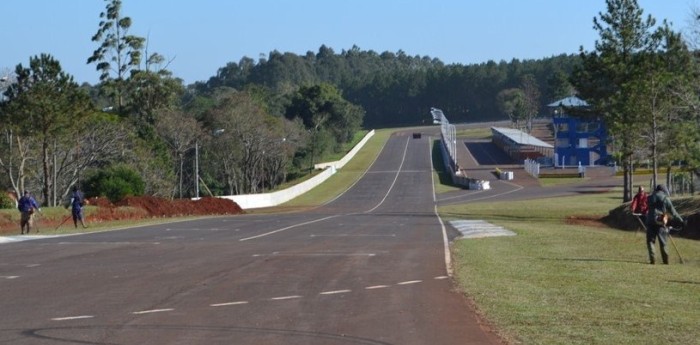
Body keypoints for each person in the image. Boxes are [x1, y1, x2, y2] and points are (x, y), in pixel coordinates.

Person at [645, 184, 683, 264]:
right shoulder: (665, 198)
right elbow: (673, 212)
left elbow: (648, 207)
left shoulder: (649, 197)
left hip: (650, 221)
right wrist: (681, 220)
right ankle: (665, 261)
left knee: (650, 241)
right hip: (661, 221)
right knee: (663, 242)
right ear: (663, 190)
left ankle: (653, 260)